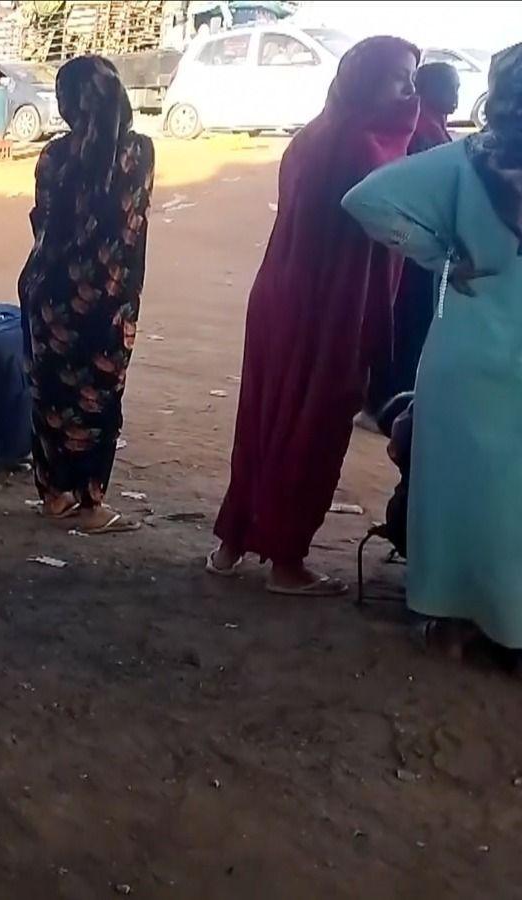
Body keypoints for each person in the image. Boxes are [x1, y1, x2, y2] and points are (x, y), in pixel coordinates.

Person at [208, 36, 421, 595]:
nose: (409, 91)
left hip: (281, 294)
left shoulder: (316, 133)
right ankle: (286, 560)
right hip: (327, 307)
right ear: (368, 79)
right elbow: (386, 226)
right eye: (400, 77)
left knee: (263, 418)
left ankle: (232, 543)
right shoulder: (360, 145)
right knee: (313, 426)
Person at [342, 42, 522, 656]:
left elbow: (364, 199)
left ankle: (451, 620)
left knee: (458, 490)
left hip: (468, 349)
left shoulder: (467, 160)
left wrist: (440, 252)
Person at [17, 55, 155, 535]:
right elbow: (126, 228)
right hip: (106, 303)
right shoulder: (138, 154)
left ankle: (54, 496)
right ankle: (91, 504)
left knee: (51, 394)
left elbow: (44, 220)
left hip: (46, 292)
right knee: (98, 400)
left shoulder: (53, 156)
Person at [363, 60, 461, 416]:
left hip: (415, 247)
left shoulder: (429, 126)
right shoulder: (421, 131)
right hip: (412, 249)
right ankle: (385, 406)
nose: (457, 96)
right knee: (407, 323)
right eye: (452, 87)